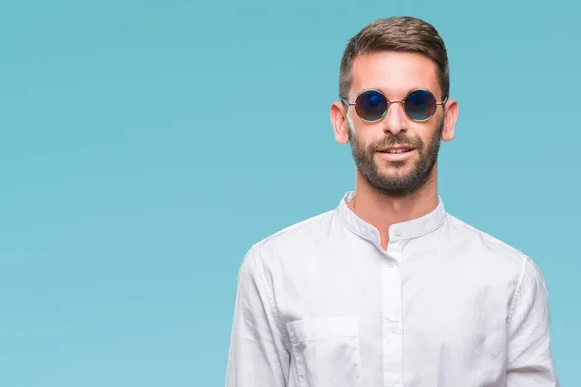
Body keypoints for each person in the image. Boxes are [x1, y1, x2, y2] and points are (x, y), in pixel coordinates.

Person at [225, 16, 559, 387]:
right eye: (372, 104)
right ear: (341, 121)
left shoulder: (511, 281)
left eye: (418, 103)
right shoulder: (273, 271)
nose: (396, 124)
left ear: (447, 120)